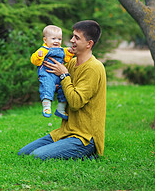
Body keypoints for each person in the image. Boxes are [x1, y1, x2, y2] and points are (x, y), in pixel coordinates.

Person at [19, 20, 106, 160]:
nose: (71, 40)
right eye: (72, 36)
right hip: (65, 131)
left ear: (89, 44)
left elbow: (76, 102)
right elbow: (65, 87)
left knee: (37, 156)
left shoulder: (94, 68)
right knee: (23, 153)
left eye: (77, 38)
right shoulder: (70, 63)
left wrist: (64, 75)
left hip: (84, 137)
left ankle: (90, 155)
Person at [31, 25, 74, 119]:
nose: (57, 41)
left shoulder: (62, 50)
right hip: (47, 74)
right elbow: (35, 61)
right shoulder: (43, 50)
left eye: (59, 39)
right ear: (45, 40)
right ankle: (46, 106)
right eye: (53, 38)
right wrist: (38, 56)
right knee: (47, 87)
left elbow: (66, 58)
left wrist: (70, 52)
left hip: (59, 75)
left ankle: (61, 109)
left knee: (64, 89)